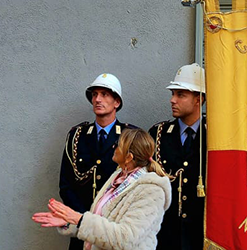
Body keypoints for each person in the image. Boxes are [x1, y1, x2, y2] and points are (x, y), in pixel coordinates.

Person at [34, 128, 172, 250]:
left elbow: (126, 239)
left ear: (129, 157)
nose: (114, 148)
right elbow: (102, 222)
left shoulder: (152, 190)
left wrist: (79, 219)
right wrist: (70, 222)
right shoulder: (118, 177)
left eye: (118, 146)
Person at [59, 73, 136, 250]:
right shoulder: (77, 135)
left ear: (116, 102)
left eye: (104, 94)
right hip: (81, 225)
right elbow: (66, 184)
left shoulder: (129, 136)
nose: (97, 99)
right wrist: (84, 218)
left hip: (114, 229)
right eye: (94, 94)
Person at [148, 63, 206, 250]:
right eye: (173, 94)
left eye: (181, 95)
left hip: (201, 235)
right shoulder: (158, 133)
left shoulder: (216, 136)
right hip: (165, 236)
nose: (173, 100)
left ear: (199, 99)